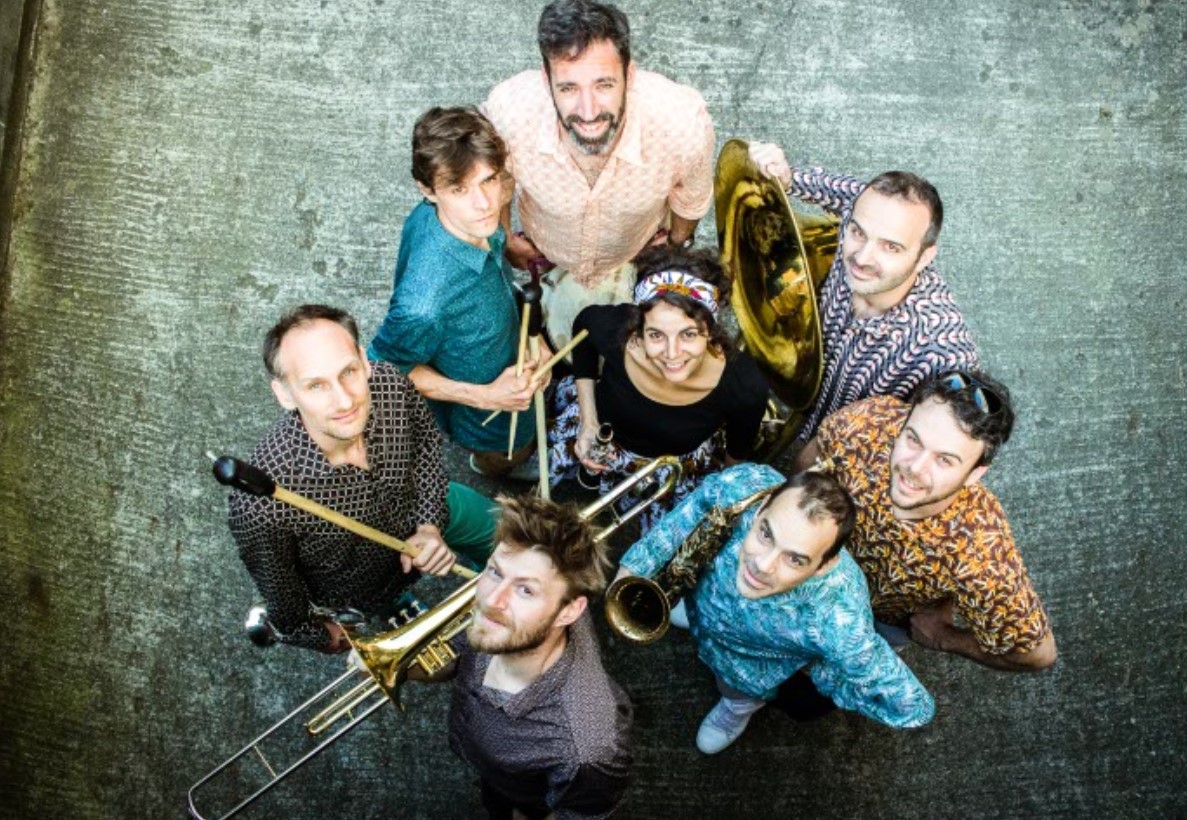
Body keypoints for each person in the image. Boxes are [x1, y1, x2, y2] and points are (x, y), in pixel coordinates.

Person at [228, 305, 497, 653]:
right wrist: (322, 637)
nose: (344, 401)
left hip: (429, 504)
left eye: (349, 372)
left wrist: (429, 525)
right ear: (285, 394)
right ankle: (395, 606)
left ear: (364, 361)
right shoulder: (259, 505)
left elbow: (427, 446)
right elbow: (284, 599)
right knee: (419, 642)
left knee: (516, 542)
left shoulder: (390, 384)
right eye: (316, 385)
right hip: (366, 585)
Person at [616, 463, 935, 754]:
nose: (762, 565)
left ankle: (737, 708)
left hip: (743, 669)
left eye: (795, 559)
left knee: (734, 690)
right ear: (762, 506)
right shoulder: (746, 485)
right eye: (766, 534)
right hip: (701, 606)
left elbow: (913, 707)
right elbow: (681, 523)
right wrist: (631, 573)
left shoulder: (839, 617)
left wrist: (825, 673)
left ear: (824, 565)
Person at [482, 0, 716, 350]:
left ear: (630, 75)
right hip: (547, 249)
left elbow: (691, 199)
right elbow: (495, 180)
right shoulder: (507, 115)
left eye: (604, 85)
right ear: (546, 80)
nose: (588, 112)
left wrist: (675, 243)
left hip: (632, 251)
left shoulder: (683, 124)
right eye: (569, 88)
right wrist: (505, 239)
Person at [795, 370, 1058, 671]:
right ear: (905, 420)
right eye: (913, 439)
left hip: (878, 620)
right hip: (814, 564)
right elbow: (811, 457)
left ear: (975, 474)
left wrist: (945, 638)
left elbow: (1039, 654)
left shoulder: (980, 552)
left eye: (945, 460)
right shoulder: (869, 420)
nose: (915, 469)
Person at [747, 141, 979, 442]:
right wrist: (788, 177)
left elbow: (947, 444)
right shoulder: (866, 212)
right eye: (858, 233)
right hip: (808, 395)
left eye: (890, 247)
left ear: (925, 257)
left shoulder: (942, 354)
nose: (862, 258)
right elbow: (846, 192)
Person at [368, 106, 544, 480]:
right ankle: (493, 466)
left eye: (488, 180)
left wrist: (534, 339)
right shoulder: (423, 304)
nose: (485, 204)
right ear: (427, 190)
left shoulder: (459, 216)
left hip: (509, 347)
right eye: (459, 189)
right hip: (486, 409)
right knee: (512, 450)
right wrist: (486, 397)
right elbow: (385, 369)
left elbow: (499, 193)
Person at [547, 246, 768, 529]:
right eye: (656, 335)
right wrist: (589, 423)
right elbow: (584, 326)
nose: (672, 354)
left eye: (688, 334)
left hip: (667, 472)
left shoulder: (744, 385)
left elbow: (734, 461)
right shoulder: (616, 332)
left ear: (710, 330)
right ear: (638, 329)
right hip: (603, 436)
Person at [446, 494, 632, 819]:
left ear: (569, 612)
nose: (492, 600)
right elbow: (456, 652)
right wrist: (403, 668)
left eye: (526, 590)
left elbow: (582, 814)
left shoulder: (588, 748)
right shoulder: (507, 623)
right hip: (488, 767)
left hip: (528, 799)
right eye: (495, 571)